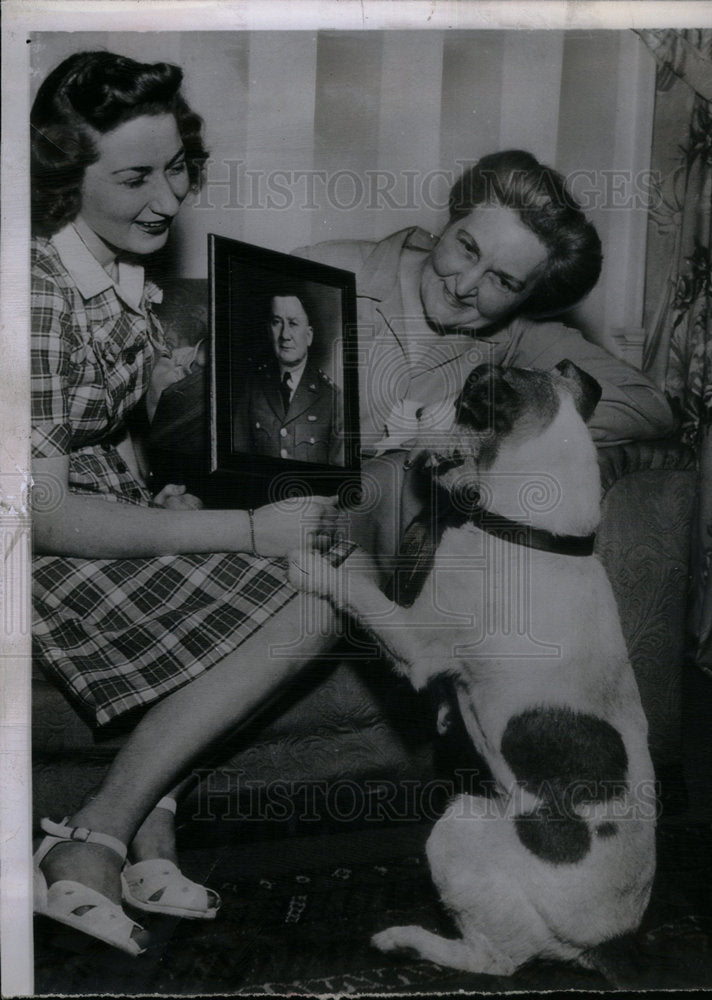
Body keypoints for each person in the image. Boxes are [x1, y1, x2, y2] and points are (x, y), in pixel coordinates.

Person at [29, 51, 338, 956]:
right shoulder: (38, 295)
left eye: (177, 168)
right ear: (64, 179)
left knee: (326, 586)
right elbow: (43, 514)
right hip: (31, 548)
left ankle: (149, 823)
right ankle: (94, 838)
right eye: (133, 176)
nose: (166, 198)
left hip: (92, 514)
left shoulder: (119, 274)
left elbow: (93, 429)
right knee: (313, 594)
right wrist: (242, 526)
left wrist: (144, 481)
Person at [291, 150, 675, 567]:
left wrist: (483, 424)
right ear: (451, 221)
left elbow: (646, 404)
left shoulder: (519, 332)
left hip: (374, 557)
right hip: (278, 518)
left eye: (504, 281)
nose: (464, 286)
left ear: (530, 296)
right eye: (468, 248)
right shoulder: (325, 267)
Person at [233, 291, 344, 465]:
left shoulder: (334, 400)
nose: (285, 335)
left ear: (309, 335)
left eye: (293, 323)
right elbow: (238, 459)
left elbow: (337, 479)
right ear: (269, 330)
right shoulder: (253, 387)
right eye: (277, 322)